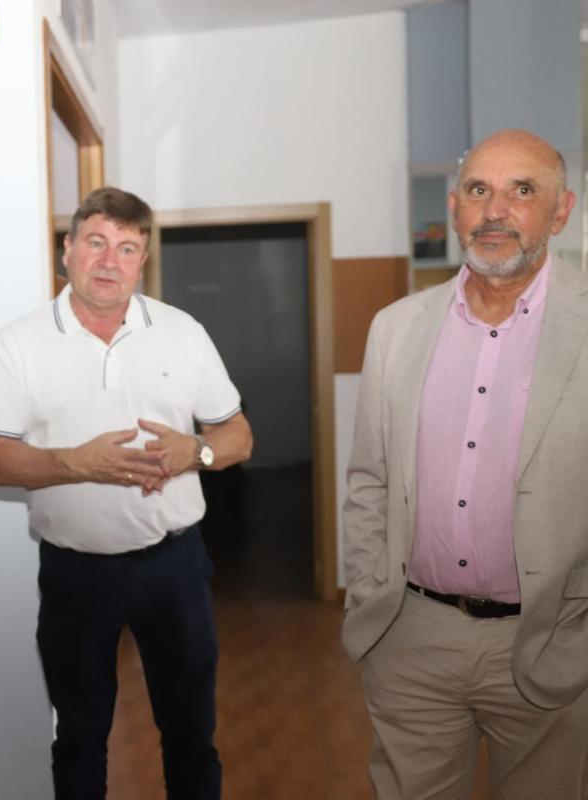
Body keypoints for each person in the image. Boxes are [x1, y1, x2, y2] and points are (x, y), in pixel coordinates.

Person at [0, 186, 253, 800]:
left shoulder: (182, 332)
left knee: (191, 735)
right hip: (75, 574)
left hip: (174, 567)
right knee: (79, 737)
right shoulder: (19, 343)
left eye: (127, 248)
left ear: (142, 261)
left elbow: (237, 436)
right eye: (96, 243)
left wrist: (194, 452)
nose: (109, 261)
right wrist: (77, 463)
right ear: (67, 250)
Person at [343, 128, 588, 798]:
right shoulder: (396, 328)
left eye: (522, 190)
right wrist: (368, 591)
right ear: (454, 208)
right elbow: (370, 480)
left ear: (560, 211)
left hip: (553, 638)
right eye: (479, 190)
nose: (495, 210)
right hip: (411, 636)